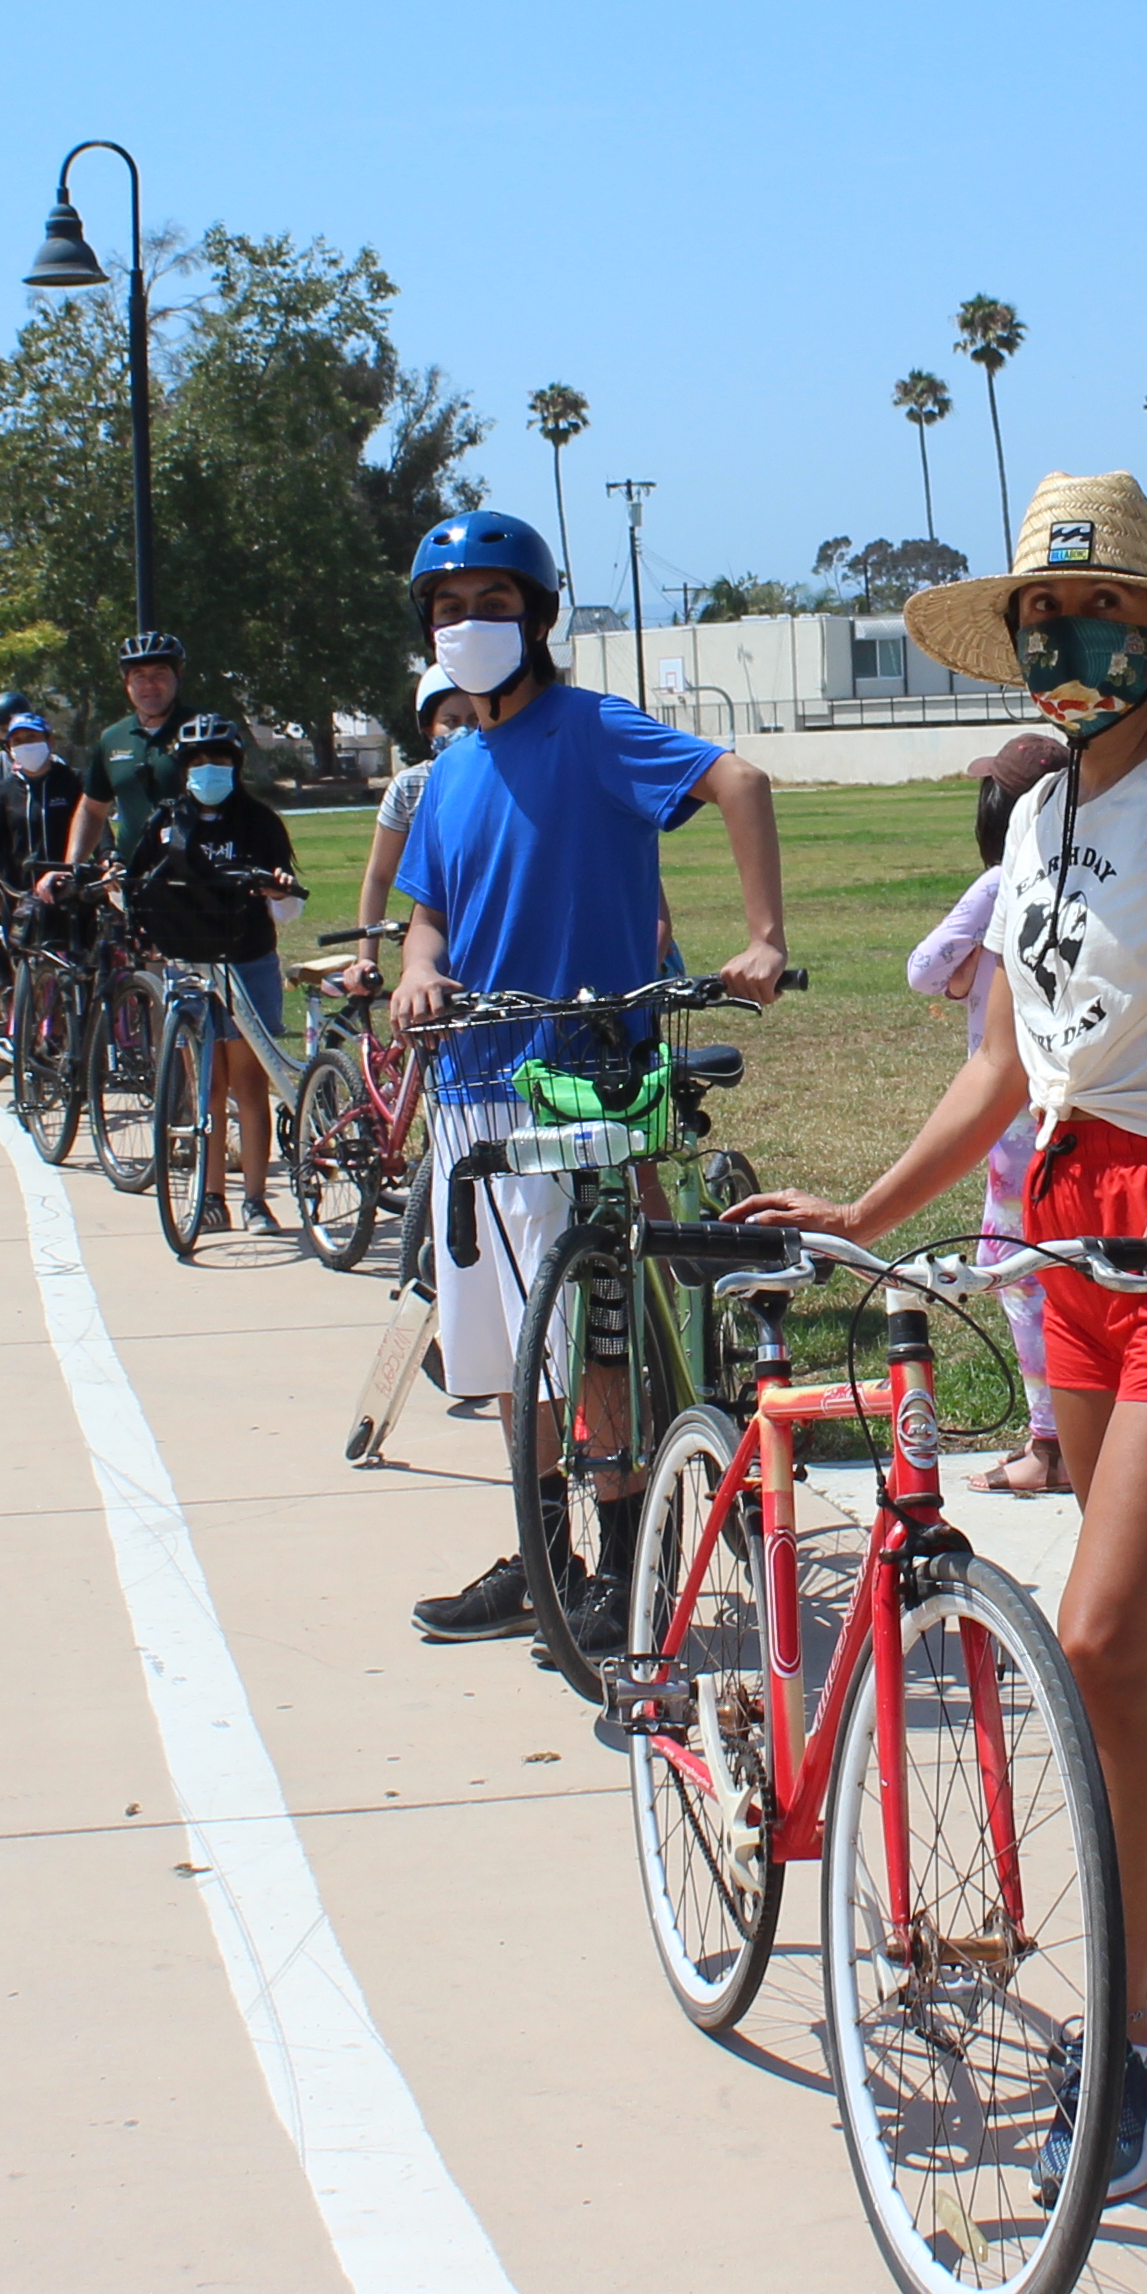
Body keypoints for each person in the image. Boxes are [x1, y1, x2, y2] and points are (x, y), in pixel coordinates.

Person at [734, 471, 1147, 2202]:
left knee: (1102, 1640)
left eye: (1093, 614)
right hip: (1069, 1214)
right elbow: (995, 1067)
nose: (1058, 644)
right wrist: (863, 1206)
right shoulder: (1039, 818)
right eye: (1036, 622)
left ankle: (1124, 2038)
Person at [388, 508, 794, 1648]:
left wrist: (762, 936)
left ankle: (621, 1557)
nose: (469, 626)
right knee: (510, 1349)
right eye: (449, 610)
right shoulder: (450, 770)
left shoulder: (592, 730)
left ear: (540, 617)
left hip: (582, 1076)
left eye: (493, 605)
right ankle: (541, 1551)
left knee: (590, 1332)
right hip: (472, 1085)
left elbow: (742, 781)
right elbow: (429, 926)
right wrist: (419, 975)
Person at [904, 726, 1072, 1492]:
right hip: (1074, 1106)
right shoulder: (1084, 878)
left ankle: (1050, 1445)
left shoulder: (1002, 883)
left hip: (1009, 1120)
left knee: (1013, 1273)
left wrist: (962, 970)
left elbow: (922, 969)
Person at [118, 707, 306, 1231]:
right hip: (188, 960)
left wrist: (274, 888)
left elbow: (289, 902)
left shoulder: (258, 822)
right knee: (208, 1084)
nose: (207, 770)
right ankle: (211, 1195)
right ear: (183, 767)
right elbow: (133, 882)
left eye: (218, 760)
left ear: (236, 764)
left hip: (246, 958)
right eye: (197, 761)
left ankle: (253, 1197)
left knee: (248, 1083)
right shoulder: (166, 821)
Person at [354, 657, 485, 951]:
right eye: (450, 722)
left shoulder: (504, 780)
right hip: (432, 933)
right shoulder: (410, 786)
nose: (464, 730)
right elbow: (379, 876)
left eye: (475, 719)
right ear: (429, 728)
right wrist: (366, 958)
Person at [0, 705, 89, 956]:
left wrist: (104, 854)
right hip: (22, 891)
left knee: (72, 967)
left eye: (32, 738)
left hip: (67, 890)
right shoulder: (6, 790)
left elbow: (95, 824)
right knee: (24, 970)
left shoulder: (73, 780)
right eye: (16, 741)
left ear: (49, 740)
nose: (24, 745)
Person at [62, 629, 190, 878]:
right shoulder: (113, 738)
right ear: (126, 683)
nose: (149, 685)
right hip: (132, 879)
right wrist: (70, 867)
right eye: (139, 676)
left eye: (159, 674)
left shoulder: (203, 728)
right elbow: (91, 809)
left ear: (178, 676)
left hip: (194, 877)